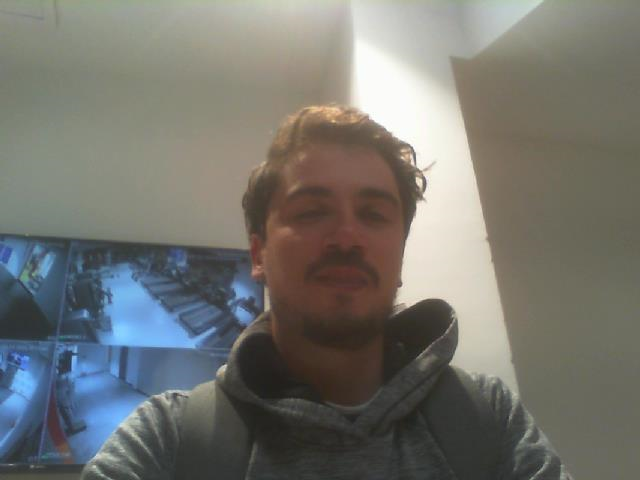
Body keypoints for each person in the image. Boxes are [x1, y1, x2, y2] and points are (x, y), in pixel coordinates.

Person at [81, 105, 572, 479]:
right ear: (258, 253)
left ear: (400, 255)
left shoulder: (488, 418)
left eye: (374, 215)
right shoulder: (165, 441)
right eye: (312, 212)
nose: (347, 238)